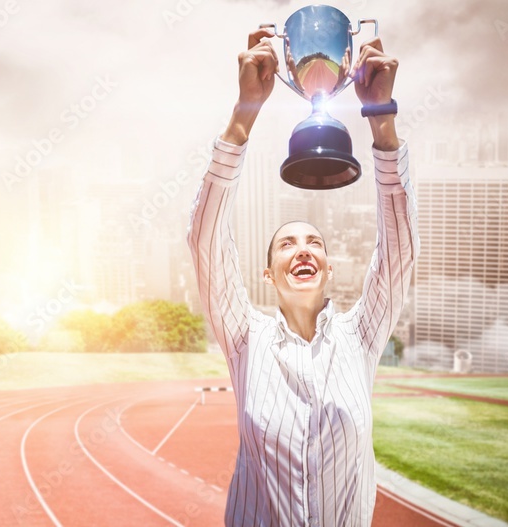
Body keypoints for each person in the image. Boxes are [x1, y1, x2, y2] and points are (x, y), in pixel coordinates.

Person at [186, 27, 419, 527]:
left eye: (314, 241)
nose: (303, 248)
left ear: (329, 267)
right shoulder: (245, 337)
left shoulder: (361, 337)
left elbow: (399, 251)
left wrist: (381, 119)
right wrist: (244, 113)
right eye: (287, 243)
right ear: (268, 274)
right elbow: (205, 242)